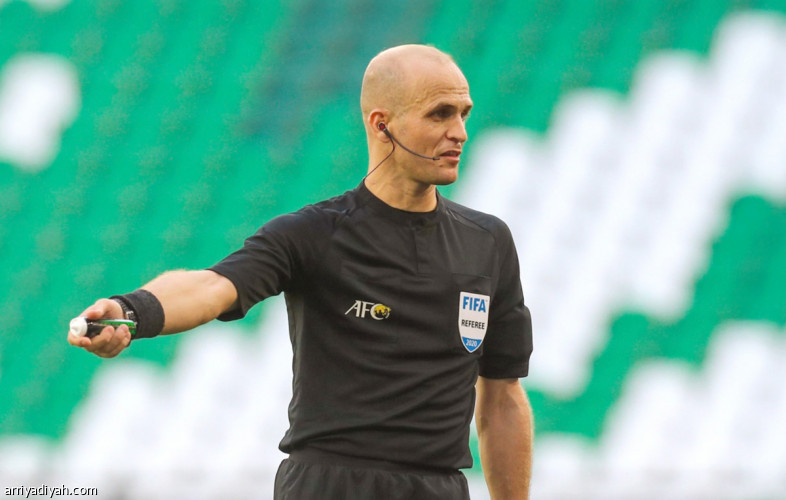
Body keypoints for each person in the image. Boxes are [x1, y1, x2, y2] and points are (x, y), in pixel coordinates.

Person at [68, 44, 534, 500]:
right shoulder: (314, 233)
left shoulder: (488, 241)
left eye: (464, 114)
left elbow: (502, 397)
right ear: (382, 124)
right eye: (440, 114)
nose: (460, 132)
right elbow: (213, 285)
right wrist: (132, 311)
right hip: (329, 486)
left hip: (439, 488)